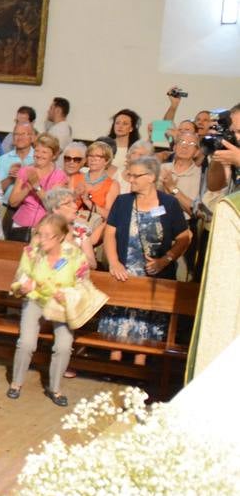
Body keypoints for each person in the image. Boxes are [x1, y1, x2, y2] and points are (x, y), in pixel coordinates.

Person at [99, 156, 191, 364]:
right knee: (119, 317)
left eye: (135, 175)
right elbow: (110, 233)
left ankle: (140, 367)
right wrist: (114, 262)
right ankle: (114, 364)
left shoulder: (169, 203)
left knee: (147, 320)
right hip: (124, 272)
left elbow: (184, 238)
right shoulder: (123, 202)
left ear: (151, 177)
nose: (130, 179)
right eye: (129, 174)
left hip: (155, 276)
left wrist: (165, 260)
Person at [6, 214, 96, 404]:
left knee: (64, 346)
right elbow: (19, 277)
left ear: (61, 237)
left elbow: (83, 283)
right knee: (27, 343)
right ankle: (16, 383)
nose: (41, 239)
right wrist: (21, 287)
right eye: (39, 234)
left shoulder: (75, 255)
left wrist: (68, 294)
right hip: (36, 299)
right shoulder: (31, 252)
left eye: (48, 235)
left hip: (61, 305)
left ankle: (55, 389)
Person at [7, 133, 68, 242]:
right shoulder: (25, 170)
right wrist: (27, 188)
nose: (39, 155)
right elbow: (12, 202)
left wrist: (36, 186)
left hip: (45, 229)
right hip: (20, 225)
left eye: (44, 152)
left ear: (53, 156)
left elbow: (52, 206)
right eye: (37, 151)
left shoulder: (59, 176)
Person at [79, 140, 121, 220]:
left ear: (107, 160)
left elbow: (110, 216)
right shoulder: (77, 177)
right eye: (90, 155)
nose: (93, 159)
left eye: (98, 156)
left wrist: (89, 203)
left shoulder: (113, 185)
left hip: (96, 228)